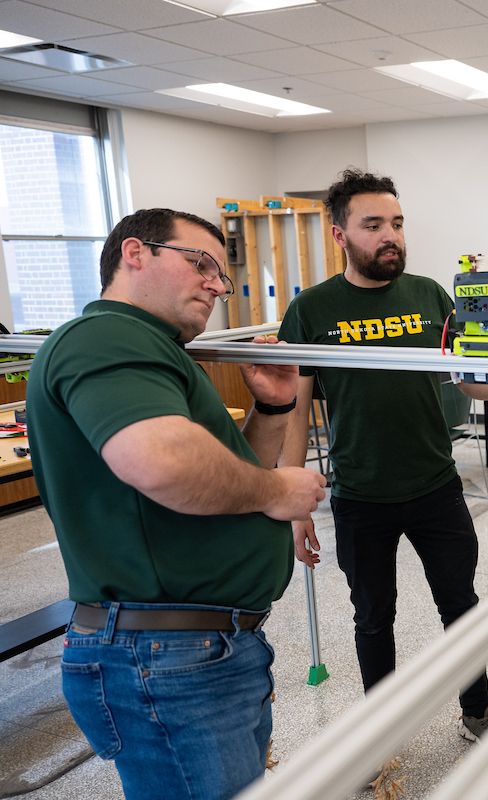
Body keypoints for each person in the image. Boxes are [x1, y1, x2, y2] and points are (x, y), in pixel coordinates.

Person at [25, 208, 328, 800]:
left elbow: (223, 481)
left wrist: (271, 410)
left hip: (198, 649)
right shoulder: (107, 336)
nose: (218, 284)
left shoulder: (155, 349)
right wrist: (277, 489)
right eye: (201, 264)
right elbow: (162, 464)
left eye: (222, 273)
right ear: (135, 254)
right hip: (164, 656)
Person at [279, 168, 488, 740]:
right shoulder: (312, 310)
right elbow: (293, 407)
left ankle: (477, 710)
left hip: (435, 484)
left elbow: (467, 379)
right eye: (374, 224)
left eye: (398, 223)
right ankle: (378, 731)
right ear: (340, 236)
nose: (392, 236)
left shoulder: (431, 294)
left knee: (461, 602)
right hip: (361, 493)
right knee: (373, 618)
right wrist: (293, 501)